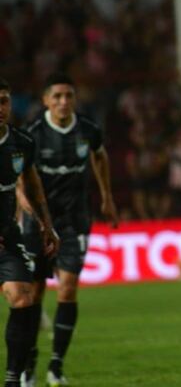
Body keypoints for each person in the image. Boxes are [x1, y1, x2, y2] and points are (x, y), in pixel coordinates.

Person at [19, 73, 118, 387]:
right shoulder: (32, 135)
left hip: (75, 220)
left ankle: (56, 367)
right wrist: (31, 215)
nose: (64, 102)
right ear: (46, 100)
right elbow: (20, 181)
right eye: (57, 96)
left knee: (68, 288)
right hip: (38, 222)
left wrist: (107, 197)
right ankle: (29, 363)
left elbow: (100, 158)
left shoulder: (88, 130)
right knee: (33, 295)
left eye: (69, 96)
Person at [0, 78, 58, 387]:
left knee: (23, 299)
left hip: (8, 234)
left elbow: (33, 187)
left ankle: (12, 380)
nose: (0, 108)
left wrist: (46, 225)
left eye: (4, 101)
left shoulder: (21, 142)